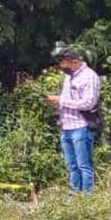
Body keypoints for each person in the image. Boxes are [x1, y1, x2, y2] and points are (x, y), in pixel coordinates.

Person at [44, 46, 100, 194]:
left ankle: (88, 198)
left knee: (84, 165)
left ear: (74, 62)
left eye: (64, 65)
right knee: (72, 165)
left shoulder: (90, 76)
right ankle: (75, 194)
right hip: (66, 127)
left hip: (81, 126)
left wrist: (60, 100)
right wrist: (55, 101)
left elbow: (89, 103)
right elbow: (67, 99)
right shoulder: (69, 76)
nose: (62, 68)